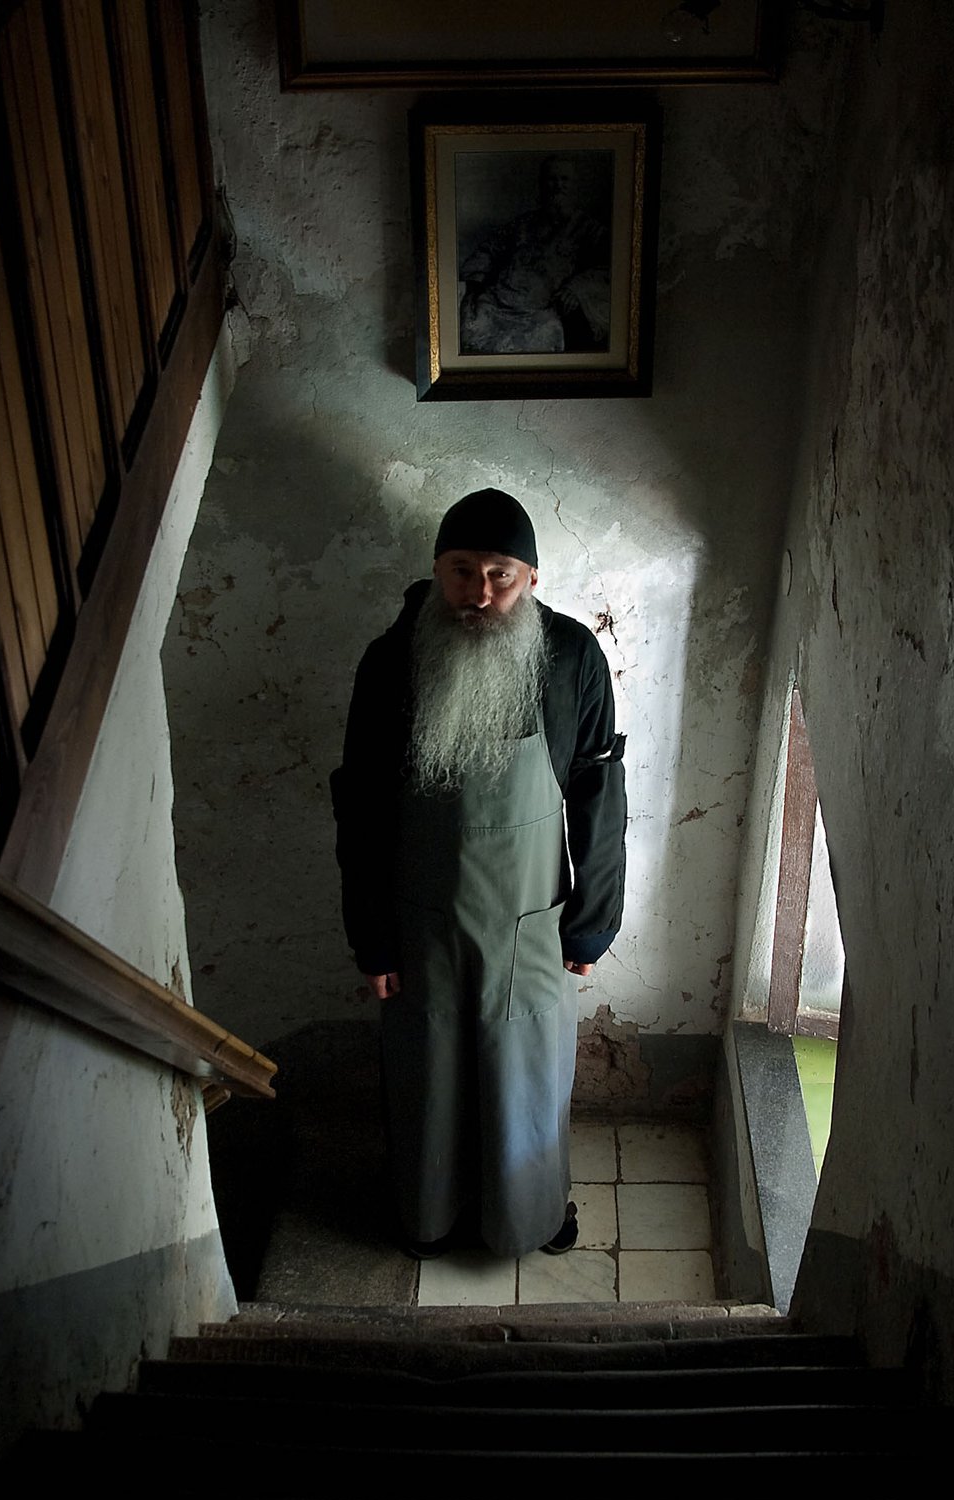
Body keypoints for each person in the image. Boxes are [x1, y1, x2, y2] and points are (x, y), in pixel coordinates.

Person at [331, 489, 628, 1260]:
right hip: (419, 918)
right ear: (437, 571)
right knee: (429, 1076)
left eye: (501, 574)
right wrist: (372, 936)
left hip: (532, 922)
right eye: (462, 571)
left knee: (524, 1076)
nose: (481, 593)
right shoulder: (393, 658)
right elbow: (359, 804)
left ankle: (529, 1215)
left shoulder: (569, 659)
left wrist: (594, 917)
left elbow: (600, 789)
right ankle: (427, 1214)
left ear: (530, 579)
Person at [457, 155, 612, 355]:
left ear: (575, 186)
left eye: (564, 180)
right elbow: (490, 249)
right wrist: (471, 279)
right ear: (542, 185)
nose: (558, 186)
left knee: (544, 337)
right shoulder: (523, 224)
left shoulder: (589, 229)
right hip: (498, 301)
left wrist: (577, 288)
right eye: (552, 179)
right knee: (470, 330)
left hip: (541, 310)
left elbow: (611, 265)